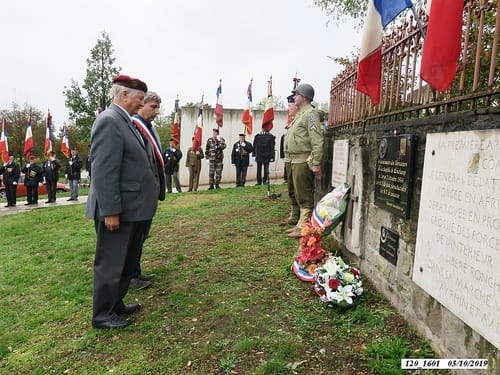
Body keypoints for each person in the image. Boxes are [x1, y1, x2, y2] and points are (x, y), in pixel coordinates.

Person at [86, 74, 159, 329]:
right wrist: (111, 212)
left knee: (126, 262)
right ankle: (102, 314)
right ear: (124, 94)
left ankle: (116, 303)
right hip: (117, 211)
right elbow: (104, 171)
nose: (141, 105)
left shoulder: (124, 120)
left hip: (132, 210)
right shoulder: (109, 121)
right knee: (111, 263)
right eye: (139, 99)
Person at [130, 91, 166, 290]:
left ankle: (135, 271)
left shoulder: (150, 129)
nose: (157, 112)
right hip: (137, 196)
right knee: (133, 237)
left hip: (148, 195)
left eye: (158, 108)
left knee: (141, 236)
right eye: (153, 107)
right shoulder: (134, 128)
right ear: (141, 105)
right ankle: (130, 276)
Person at [284, 83, 324, 238]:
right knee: (294, 190)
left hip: (302, 159)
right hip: (293, 159)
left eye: (297, 94)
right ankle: (298, 221)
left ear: (305, 97)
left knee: (304, 193)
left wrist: (316, 162)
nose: (294, 97)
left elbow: (317, 140)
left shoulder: (311, 114)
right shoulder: (301, 114)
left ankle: (303, 226)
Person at [280, 94, 300, 228]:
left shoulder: (304, 118)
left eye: (290, 105)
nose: (288, 109)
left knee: (300, 190)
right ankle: (294, 214)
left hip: (299, 159)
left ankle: (301, 219)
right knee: (291, 189)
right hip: (290, 159)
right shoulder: (293, 121)